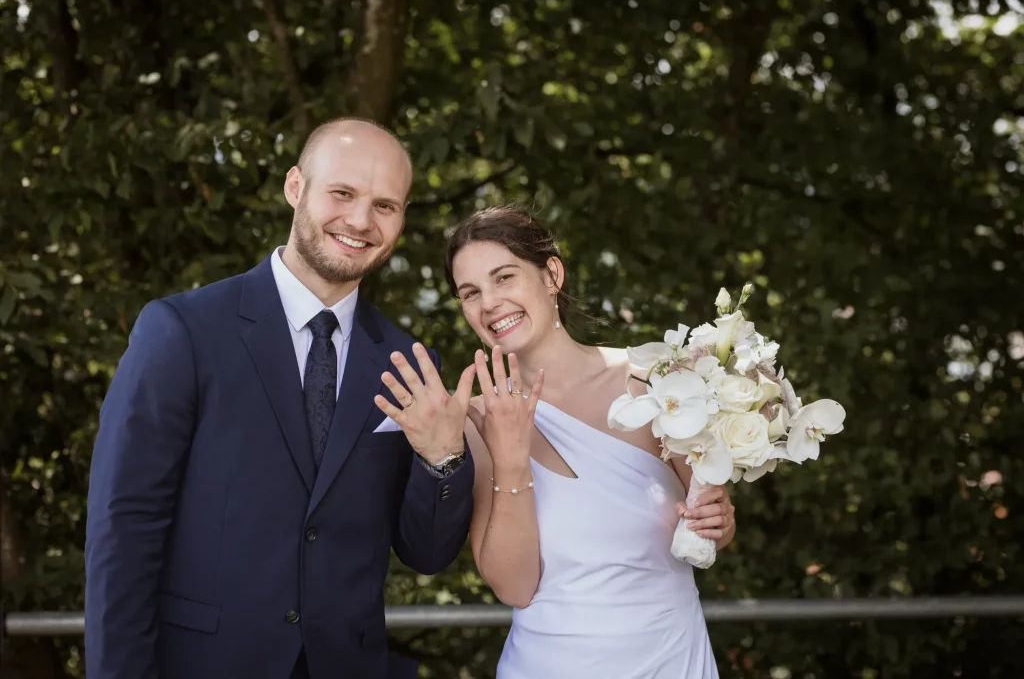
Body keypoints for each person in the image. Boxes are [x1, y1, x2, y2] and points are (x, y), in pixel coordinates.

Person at [84, 118, 477, 679]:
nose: (360, 220)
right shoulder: (183, 331)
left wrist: (444, 460)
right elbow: (124, 530)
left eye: (385, 205)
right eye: (342, 193)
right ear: (296, 187)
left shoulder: (408, 363)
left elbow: (427, 553)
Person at [440, 204, 736, 678]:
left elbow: (709, 523)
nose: (489, 303)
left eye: (504, 277)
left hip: (672, 661)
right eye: (470, 292)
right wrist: (511, 458)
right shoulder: (477, 420)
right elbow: (515, 587)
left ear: (551, 275)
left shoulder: (655, 383)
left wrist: (719, 520)